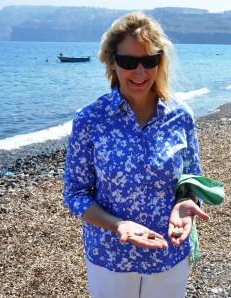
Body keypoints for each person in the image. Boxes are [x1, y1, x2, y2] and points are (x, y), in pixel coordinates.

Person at [62, 11, 209, 298]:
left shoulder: (181, 116)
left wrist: (186, 204)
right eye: (129, 62)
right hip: (110, 257)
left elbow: (193, 181)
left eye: (149, 60)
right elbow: (76, 194)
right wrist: (118, 226)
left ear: (160, 61)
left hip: (169, 253)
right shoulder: (90, 119)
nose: (140, 73)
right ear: (112, 63)